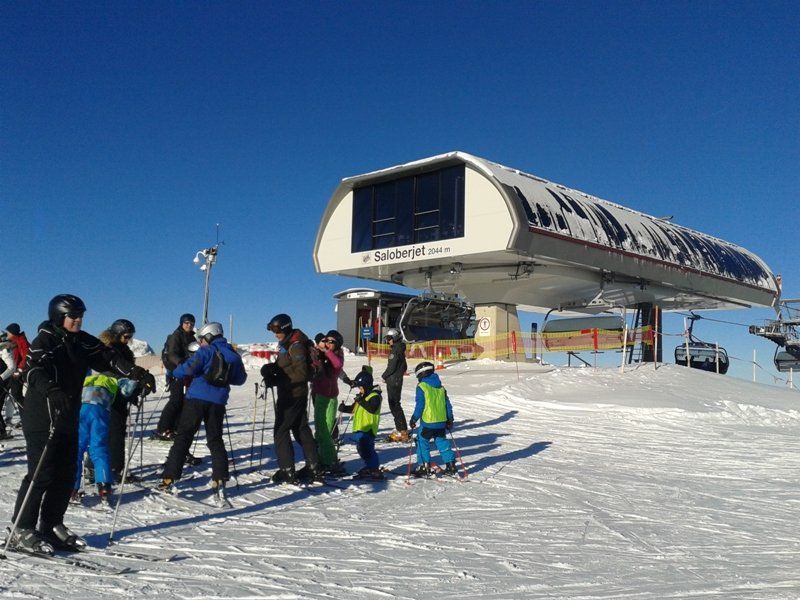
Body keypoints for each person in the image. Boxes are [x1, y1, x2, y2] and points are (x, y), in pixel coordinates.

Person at [8, 294, 155, 555]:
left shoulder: (81, 341)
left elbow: (108, 357)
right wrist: (51, 389)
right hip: (42, 415)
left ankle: (51, 525)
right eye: (73, 316)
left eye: (80, 316)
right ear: (59, 317)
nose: (78, 320)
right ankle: (22, 528)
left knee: (66, 473)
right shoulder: (46, 340)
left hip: (68, 413)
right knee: (42, 474)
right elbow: (33, 370)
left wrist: (136, 373)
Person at [158, 322, 246, 504]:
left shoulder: (206, 352)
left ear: (209, 336)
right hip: (218, 402)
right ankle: (220, 478)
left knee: (184, 437)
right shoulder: (233, 355)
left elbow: (186, 370)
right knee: (215, 439)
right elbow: (240, 379)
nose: (200, 342)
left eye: (202, 339)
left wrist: (175, 372)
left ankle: (169, 478)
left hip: (196, 399)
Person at [261, 313, 321, 484]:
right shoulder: (288, 344)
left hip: (292, 395)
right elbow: (286, 366)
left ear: (285, 328)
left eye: (277, 330)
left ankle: (287, 469)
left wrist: (277, 380)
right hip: (293, 393)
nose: (275, 334)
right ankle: (313, 466)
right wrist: (271, 368)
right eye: (272, 330)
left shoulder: (296, 346)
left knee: (280, 431)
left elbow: (301, 374)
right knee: (301, 429)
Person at [72, 374, 139, 504]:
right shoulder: (116, 381)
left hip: (82, 410)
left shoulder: (88, 379)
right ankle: (104, 486)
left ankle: (71, 487)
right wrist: (135, 393)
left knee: (77, 449)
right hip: (100, 411)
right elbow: (128, 389)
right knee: (99, 448)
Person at [102, 319, 142, 483]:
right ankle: (114, 468)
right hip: (110, 394)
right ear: (117, 334)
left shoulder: (123, 348)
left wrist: (133, 389)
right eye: (126, 336)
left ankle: (103, 467)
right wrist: (128, 386)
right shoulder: (110, 349)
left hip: (118, 395)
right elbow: (115, 373)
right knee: (114, 433)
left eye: (130, 336)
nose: (128, 339)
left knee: (113, 431)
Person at [409, 361, 456, 477]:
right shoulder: (441, 388)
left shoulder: (422, 387)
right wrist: (450, 419)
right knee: (441, 441)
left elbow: (420, 405)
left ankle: (424, 466)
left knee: (421, 441)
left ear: (421, 374)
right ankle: (451, 465)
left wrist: (414, 419)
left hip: (428, 422)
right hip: (441, 422)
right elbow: (447, 405)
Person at [154, 313, 196, 440]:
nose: (189, 325)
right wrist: (182, 363)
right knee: (175, 401)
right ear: (182, 323)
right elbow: (172, 354)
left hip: (187, 373)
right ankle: (162, 429)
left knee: (184, 402)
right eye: (186, 323)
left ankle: (175, 428)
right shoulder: (176, 336)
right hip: (176, 372)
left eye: (192, 323)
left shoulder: (191, 337)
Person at [338, 368, 383, 480]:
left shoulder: (375, 396)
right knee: (362, 449)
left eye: (361, 387)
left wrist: (361, 401)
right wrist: (344, 408)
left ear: (366, 386)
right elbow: (353, 409)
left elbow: (372, 408)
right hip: (360, 428)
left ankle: (374, 469)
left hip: (368, 428)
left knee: (367, 449)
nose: (360, 389)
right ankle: (369, 467)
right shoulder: (362, 396)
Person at [311, 330, 345, 475]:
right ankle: (325, 458)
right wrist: (318, 349)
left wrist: (326, 352)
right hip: (320, 396)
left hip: (331, 397)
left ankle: (329, 460)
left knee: (326, 430)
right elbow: (312, 364)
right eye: (326, 340)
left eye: (331, 341)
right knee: (321, 430)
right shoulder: (319, 354)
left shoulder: (337, 355)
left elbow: (337, 365)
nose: (328, 343)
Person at [381, 328, 409, 442]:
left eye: (389, 339)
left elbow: (391, 367)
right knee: (395, 404)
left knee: (394, 405)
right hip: (396, 379)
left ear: (395, 338)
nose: (388, 341)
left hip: (393, 381)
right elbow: (404, 366)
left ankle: (402, 431)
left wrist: (384, 376)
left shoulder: (395, 350)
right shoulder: (399, 348)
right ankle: (402, 429)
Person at [4, 323, 30, 414]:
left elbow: (26, 357)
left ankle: (27, 412)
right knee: (14, 394)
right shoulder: (14, 341)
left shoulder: (21, 341)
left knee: (16, 394)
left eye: (8, 332)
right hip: (14, 371)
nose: (7, 333)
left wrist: (19, 370)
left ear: (13, 333)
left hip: (19, 372)